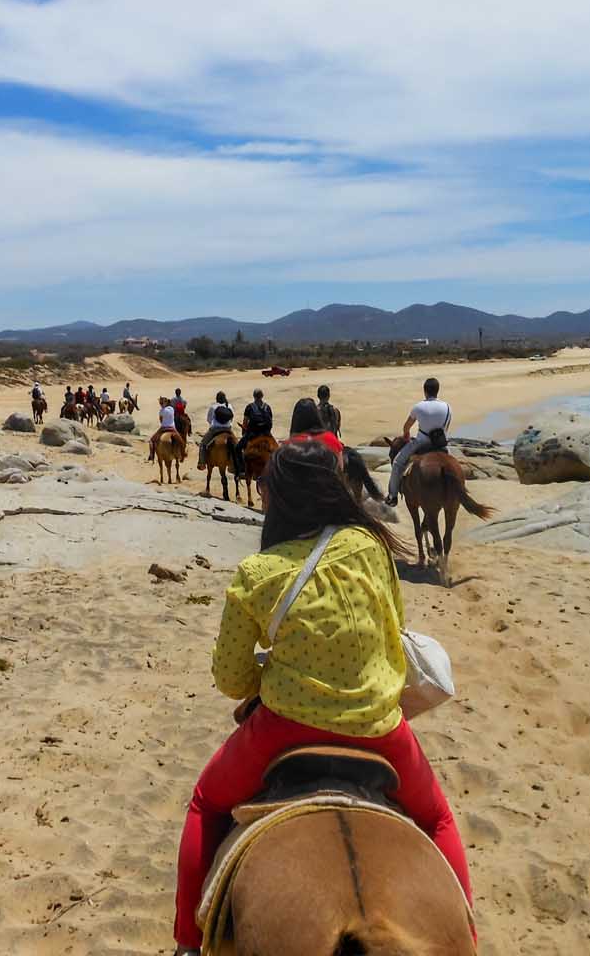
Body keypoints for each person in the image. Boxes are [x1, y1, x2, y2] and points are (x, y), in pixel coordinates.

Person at [171, 440, 473, 953]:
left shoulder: (258, 573)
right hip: (380, 728)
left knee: (205, 803)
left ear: (279, 498)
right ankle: (471, 937)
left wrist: (273, 668)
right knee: (439, 818)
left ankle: (185, 941)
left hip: (284, 727)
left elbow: (231, 679)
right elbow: (395, 628)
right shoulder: (370, 546)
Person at [384, 377, 452, 506]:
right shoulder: (447, 407)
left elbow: (407, 426)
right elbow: (446, 428)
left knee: (398, 463)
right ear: (438, 390)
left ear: (425, 391)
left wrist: (406, 434)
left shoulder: (418, 407)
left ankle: (392, 496)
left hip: (421, 442)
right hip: (441, 444)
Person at [233, 388, 273, 470]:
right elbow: (270, 422)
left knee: (237, 448)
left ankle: (241, 469)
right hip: (266, 433)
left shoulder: (249, 407)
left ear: (254, 396)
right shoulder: (267, 407)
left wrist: (244, 429)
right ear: (262, 396)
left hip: (253, 433)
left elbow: (245, 423)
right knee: (276, 450)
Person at [197, 392, 237, 470]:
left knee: (203, 444)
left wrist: (214, 424)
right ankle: (237, 464)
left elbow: (209, 419)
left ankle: (202, 463)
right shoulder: (229, 406)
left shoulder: (213, 407)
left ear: (217, 399)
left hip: (215, 429)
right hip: (228, 429)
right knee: (237, 445)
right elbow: (232, 418)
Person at [147, 396, 180, 462]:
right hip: (172, 428)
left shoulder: (161, 411)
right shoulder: (172, 409)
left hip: (164, 428)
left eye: (161, 403)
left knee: (151, 440)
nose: (161, 404)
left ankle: (151, 455)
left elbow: (161, 420)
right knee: (180, 440)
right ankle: (182, 453)